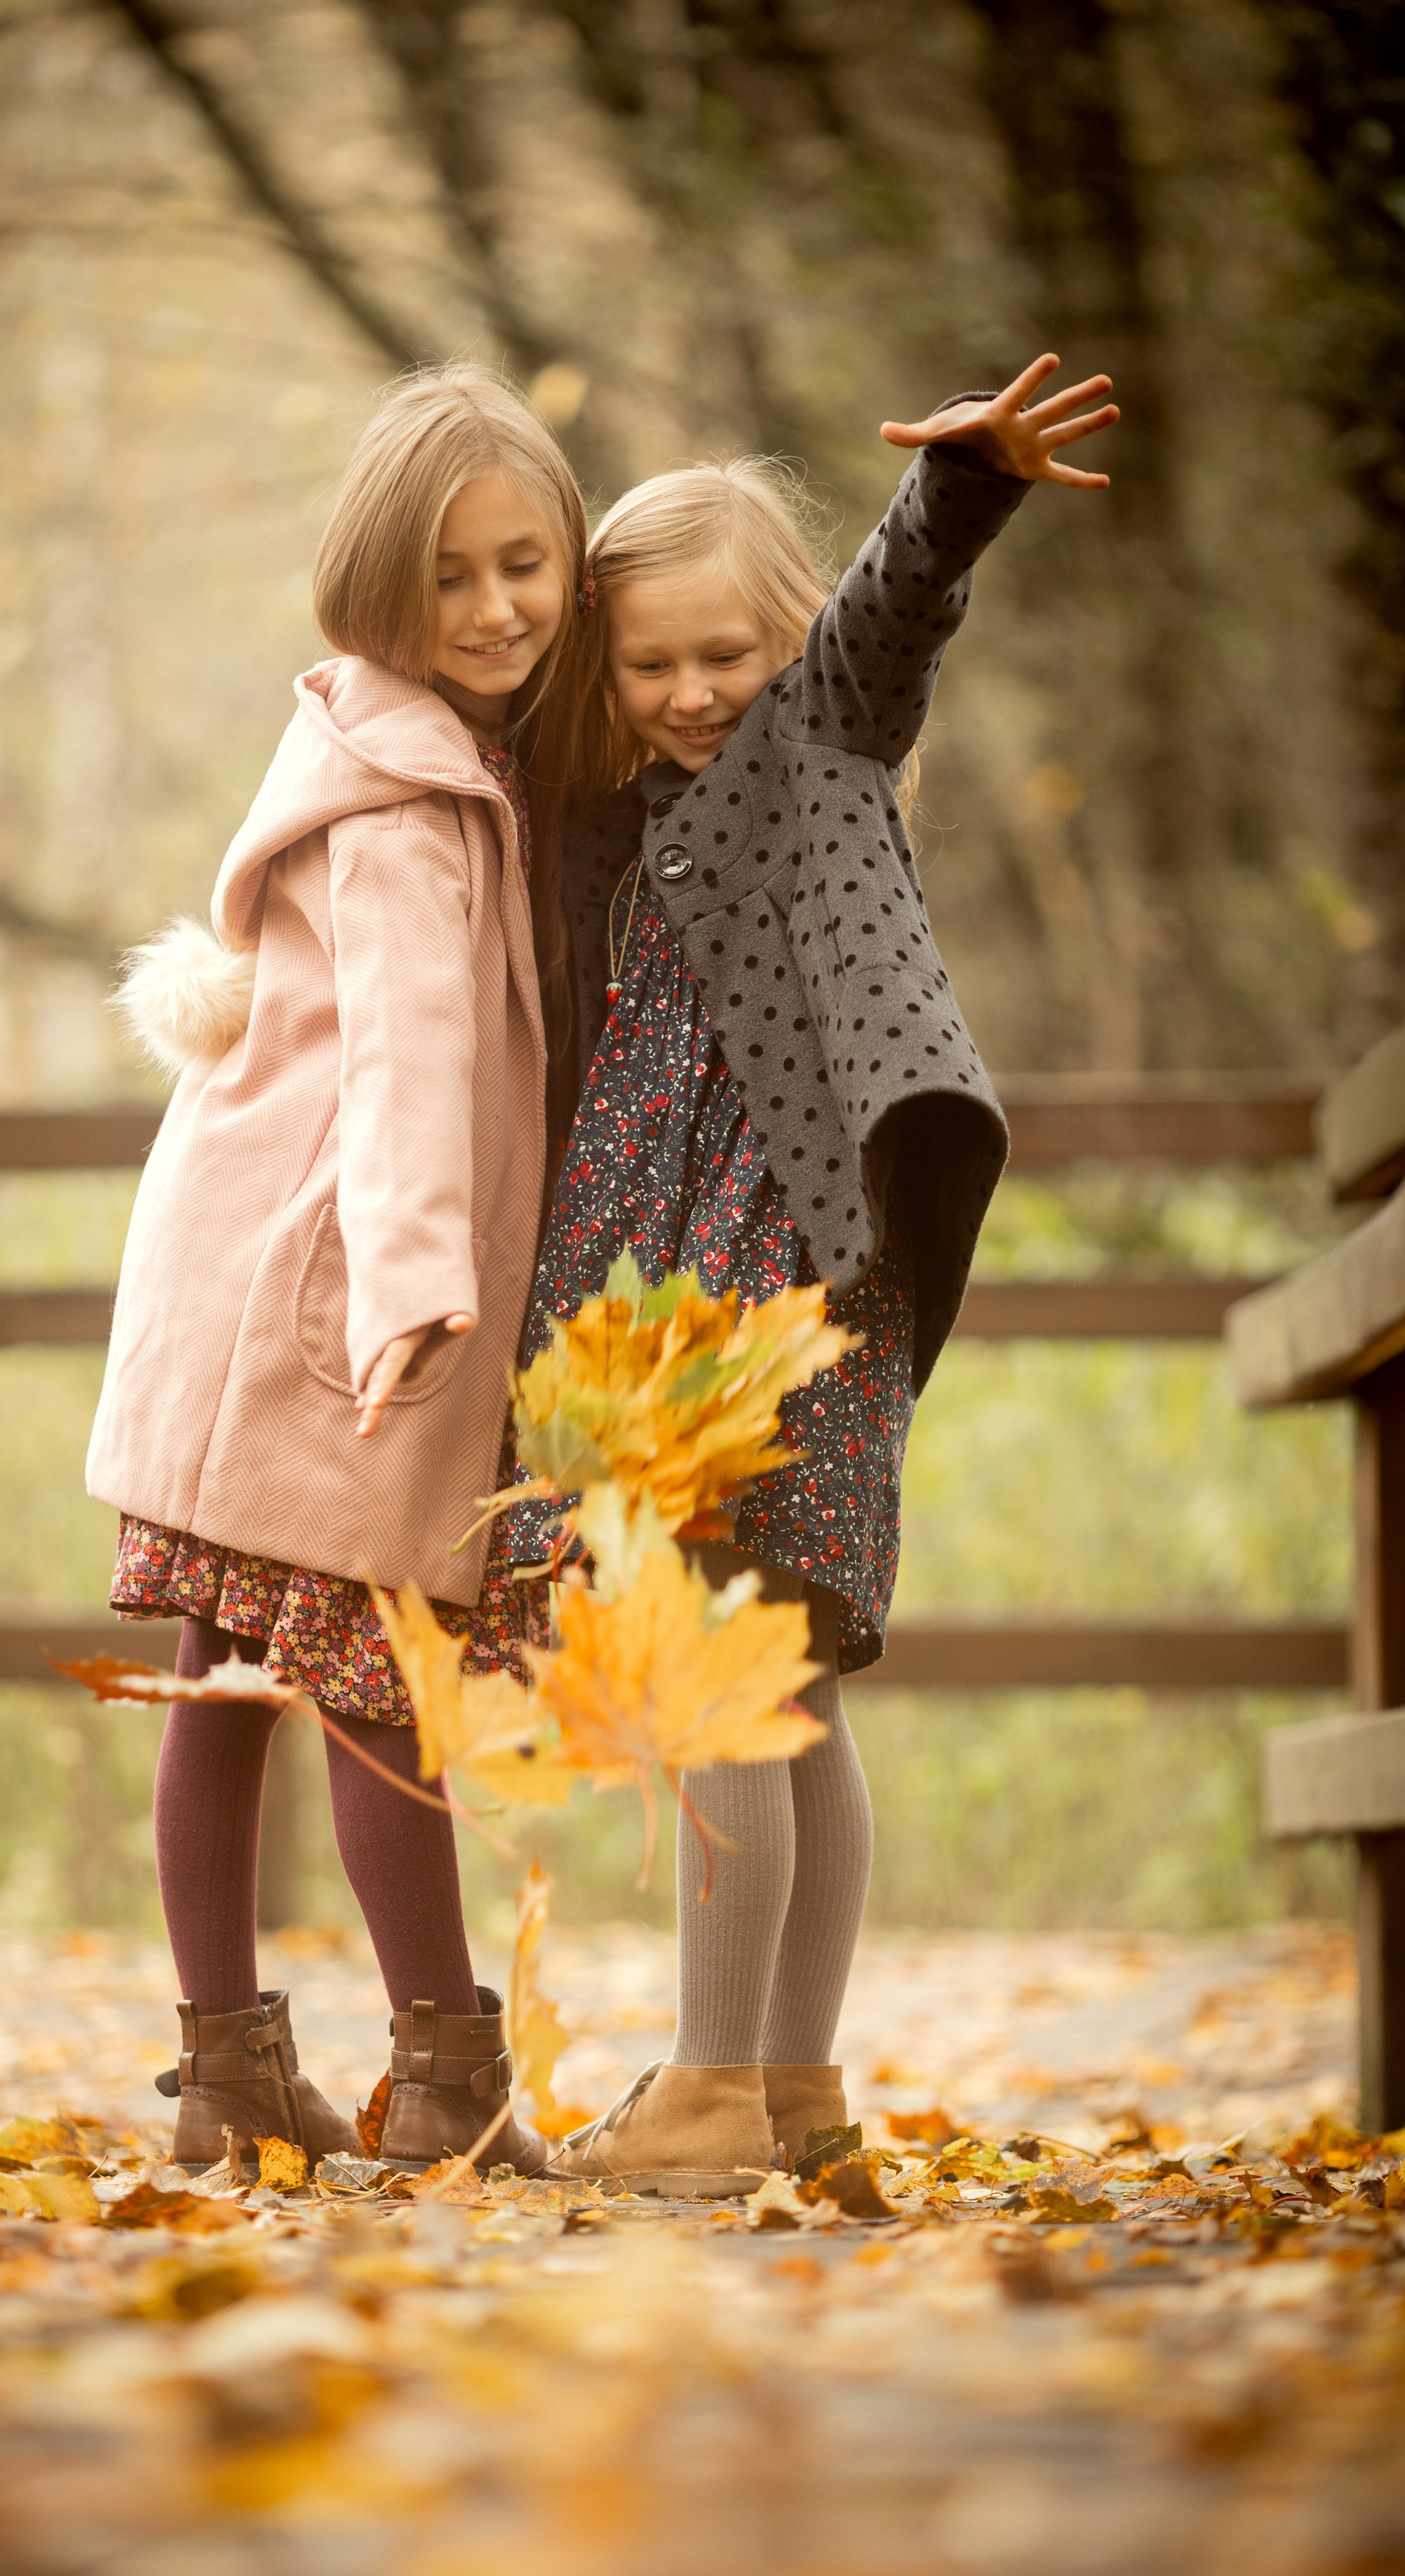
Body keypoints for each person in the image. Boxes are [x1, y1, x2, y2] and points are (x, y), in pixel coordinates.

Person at [514, 356, 1120, 2195]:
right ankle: (789, 2086)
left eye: (732, 655)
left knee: (712, 1686)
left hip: (776, 1308)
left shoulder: (812, 763)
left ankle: (704, 2088)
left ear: (791, 657)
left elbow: (882, 623)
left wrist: (951, 494)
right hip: (662, 1332)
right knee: (787, 1695)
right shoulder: (612, 838)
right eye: (652, 665)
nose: (697, 693)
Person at [87, 366, 593, 2177]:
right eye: (449, 576)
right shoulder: (403, 797)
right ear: (378, 584)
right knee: (375, 1675)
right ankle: (443, 2069)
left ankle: (227, 2072)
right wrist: (407, 1291)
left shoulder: (417, 747)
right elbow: (397, 1063)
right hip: (331, 1297)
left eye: (524, 564)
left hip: (254, 1274)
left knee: (229, 1665)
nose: (493, 609)